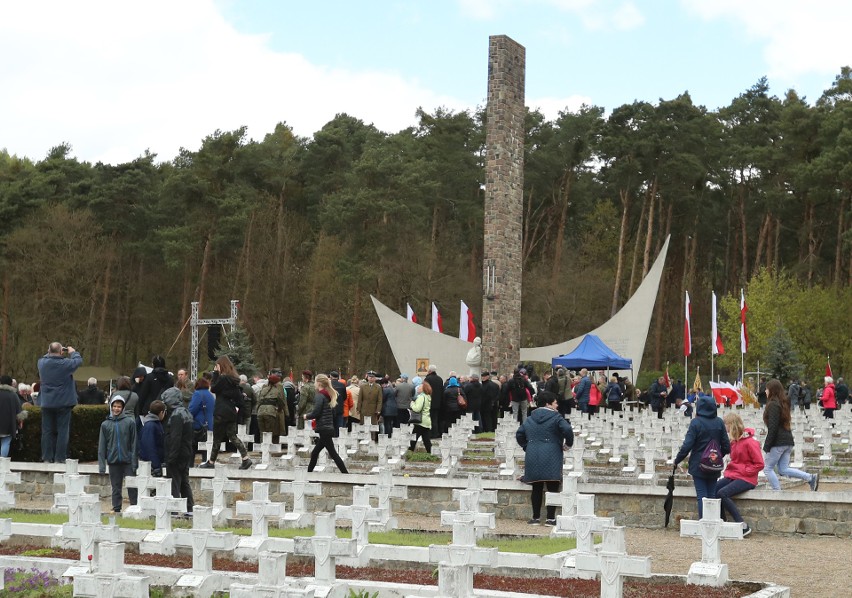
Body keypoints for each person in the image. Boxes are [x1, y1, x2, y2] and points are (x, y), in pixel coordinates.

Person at [515, 391, 574, 525]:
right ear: (548, 404)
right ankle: (550, 518)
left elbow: (519, 434)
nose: (557, 405)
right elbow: (568, 430)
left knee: (536, 486)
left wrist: (527, 446)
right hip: (552, 453)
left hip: (533, 453)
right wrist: (568, 444)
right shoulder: (556, 417)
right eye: (555, 403)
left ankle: (535, 517)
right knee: (552, 485)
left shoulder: (530, 418)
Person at [673, 394, 730, 518]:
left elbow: (687, 445)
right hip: (714, 463)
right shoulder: (719, 422)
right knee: (711, 495)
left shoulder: (696, 423)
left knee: (702, 495)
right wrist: (717, 456)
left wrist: (677, 460)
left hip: (698, 464)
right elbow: (726, 446)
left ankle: (704, 523)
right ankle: (713, 522)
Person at [762, 379, 819, 491]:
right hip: (787, 441)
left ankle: (777, 492)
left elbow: (773, 427)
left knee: (767, 468)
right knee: (783, 469)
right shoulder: (783, 403)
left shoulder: (773, 404)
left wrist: (767, 446)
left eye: (767, 389)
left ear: (772, 390)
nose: (765, 391)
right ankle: (810, 477)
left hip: (778, 442)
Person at [198, 356, 252, 470]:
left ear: (220, 366)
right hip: (231, 412)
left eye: (217, 366)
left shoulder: (222, 379)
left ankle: (211, 462)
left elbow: (213, 388)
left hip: (221, 412)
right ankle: (246, 458)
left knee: (217, 438)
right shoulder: (233, 380)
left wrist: (216, 373)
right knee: (232, 436)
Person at [715, 412, 763, 537]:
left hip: (747, 478)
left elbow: (759, 464)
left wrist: (745, 471)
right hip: (734, 475)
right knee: (714, 489)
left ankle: (743, 526)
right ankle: (722, 522)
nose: (724, 427)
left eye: (725, 424)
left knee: (722, 493)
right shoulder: (734, 442)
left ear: (731, 425)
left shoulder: (750, 442)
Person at [37, 342, 83, 463]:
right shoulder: (65, 364)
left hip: (47, 402)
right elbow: (78, 361)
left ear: (48, 351)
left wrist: (52, 351)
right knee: (62, 431)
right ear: (61, 352)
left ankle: (47, 458)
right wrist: (73, 352)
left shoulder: (41, 363)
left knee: (47, 431)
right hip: (63, 402)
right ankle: (60, 458)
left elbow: (47, 356)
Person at [97, 395, 138, 513]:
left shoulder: (130, 422)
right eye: (114, 406)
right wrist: (102, 466)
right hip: (113, 460)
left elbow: (134, 443)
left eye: (119, 406)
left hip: (128, 460)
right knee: (116, 487)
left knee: (132, 486)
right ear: (111, 407)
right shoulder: (105, 424)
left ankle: (134, 507)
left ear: (123, 408)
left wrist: (134, 462)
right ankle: (116, 508)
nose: (116, 409)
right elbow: (102, 446)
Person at [304, 373, 348, 473]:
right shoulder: (327, 395)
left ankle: (345, 474)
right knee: (318, 453)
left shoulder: (320, 396)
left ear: (319, 383)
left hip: (324, 428)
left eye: (315, 382)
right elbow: (333, 413)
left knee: (329, 453)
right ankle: (308, 473)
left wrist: (306, 416)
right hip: (328, 427)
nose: (314, 384)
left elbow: (316, 412)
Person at [161, 385, 195, 514]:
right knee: (184, 482)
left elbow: (176, 437)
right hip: (186, 452)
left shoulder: (176, 415)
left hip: (177, 454)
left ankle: (175, 510)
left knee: (174, 482)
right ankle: (189, 508)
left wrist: (171, 458)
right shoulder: (186, 412)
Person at [257, 371, 288, 441]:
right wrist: (279, 410)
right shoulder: (277, 390)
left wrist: (257, 411)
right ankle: (268, 449)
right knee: (269, 432)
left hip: (260, 413)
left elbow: (258, 401)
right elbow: (281, 403)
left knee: (262, 432)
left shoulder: (263, 389)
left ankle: (263, 448)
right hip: (270, 413)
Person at [188, 377, 214, 460]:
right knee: (206, 450)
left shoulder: (197, 394)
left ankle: (190, 467)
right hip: (209, 425)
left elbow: (192, 409)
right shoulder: (210, 395)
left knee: (192, 448)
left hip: (199, 425)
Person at [139, 400, 166, 477]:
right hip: (151, 466)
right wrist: (156, 465)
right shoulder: (151, 425)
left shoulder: (154, 424)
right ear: (161, 412)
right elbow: (150, 447)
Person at [0, 375, 22, 457]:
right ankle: (2, 464)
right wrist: (20, 422)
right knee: (6, 442)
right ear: (10, 383)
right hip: (8, 424)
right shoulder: (13, 395)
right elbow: (19, 412)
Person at [409, 381, 432, 453]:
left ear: (423, 389)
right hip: (426, 420)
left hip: (420, 421)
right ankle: (431, 453)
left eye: (419, 387)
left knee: (413, 438)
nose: (418, 388)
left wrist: (412, 404)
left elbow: (417, 408)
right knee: (426, 440)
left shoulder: (421, 397)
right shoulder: (428, 396)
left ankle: (410, 452)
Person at [358, 371, 383, 439]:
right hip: (364, 409)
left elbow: (380, 400)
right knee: (363, 425)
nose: (371, 378)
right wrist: (358, 409)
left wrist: (378, 410)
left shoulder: (378, 387)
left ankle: (372, 440)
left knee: (373, 426)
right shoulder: (363, 386)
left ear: (375, 378)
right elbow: (360, 398)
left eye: (373, 377)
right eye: (370, 377)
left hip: (373, 410)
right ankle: (363, 439)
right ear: (367, 378)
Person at [423, 365, 443, 439]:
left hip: (429, 401)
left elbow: (425, 390)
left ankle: (430, 433)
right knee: (435, 418)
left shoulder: (427, 379)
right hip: (438, 402)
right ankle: (436, 433)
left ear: (430, 371)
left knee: (429, 418)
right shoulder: (440, 379)